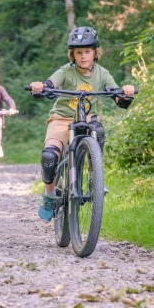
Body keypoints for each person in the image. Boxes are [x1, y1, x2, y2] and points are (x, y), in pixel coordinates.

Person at [29, 26, 135, 222]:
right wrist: (41, 87)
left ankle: (95, 178)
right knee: (49, 157)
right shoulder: (65, 71)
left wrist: (126, 94)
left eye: (87, 51)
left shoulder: (102, 74)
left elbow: (117, 98)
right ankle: (50, 195)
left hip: (87, 119)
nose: (83, 56)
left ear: (95, 52)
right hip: (61, 119)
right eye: (79, 52)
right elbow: (51, 84)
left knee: (99, 132)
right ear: (73, 55)